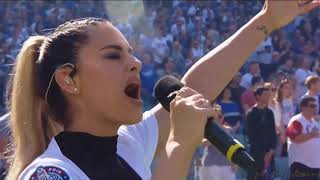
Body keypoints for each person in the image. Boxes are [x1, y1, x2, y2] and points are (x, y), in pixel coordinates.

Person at [5, 1, 318, 179]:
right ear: (68, 79)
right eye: (113, 55)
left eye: (132, 53)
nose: (136, 63)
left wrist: (265, 21)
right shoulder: (48, 175)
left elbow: (194, 88)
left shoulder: (127, 145)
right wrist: (179, 145)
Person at [196, 104, 237, 180]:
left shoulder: (228, 130)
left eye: (220, 116)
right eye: (216, 116)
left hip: (226, 166)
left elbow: (234, 148)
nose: (219, 119)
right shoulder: (206, 129)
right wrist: (216, 135)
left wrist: (234, 163)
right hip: (211, 165)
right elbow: (202, 144)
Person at [246, 86, 277, 180]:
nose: (268, 96)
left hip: (269, 152)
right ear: (258, 96)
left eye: (269, 94)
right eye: (265, 94)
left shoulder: (269, 112)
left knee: (271, 176)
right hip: (256, 152)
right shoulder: (251, 113)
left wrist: (270, 151)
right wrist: (264, 154)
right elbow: (251, 135)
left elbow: (272, 132)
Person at [287, 96, 320, 180]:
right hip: (301, 165)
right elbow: (294, 138)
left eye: (316, 106)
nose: (315, 108)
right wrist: (311, 135)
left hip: (314, 165)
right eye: (312, 106)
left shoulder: (314, 122)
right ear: (303, 107)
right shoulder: (297, 120)